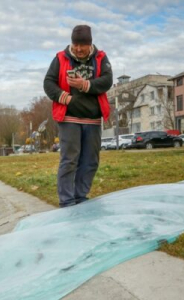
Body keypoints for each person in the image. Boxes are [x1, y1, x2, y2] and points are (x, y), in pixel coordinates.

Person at [43, 25, 112, 207]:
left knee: (90, 161)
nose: (79, 49)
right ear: (71, 43)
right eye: (76, 44)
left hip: (93, 119)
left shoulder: (101, 58)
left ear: (90, 44)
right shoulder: (60, 58)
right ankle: (67, 201)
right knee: (69, 160)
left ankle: (80, 197)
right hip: (69, 118)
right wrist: (63, 97)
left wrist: (84, 84)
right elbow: (48, 82)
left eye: (83, 45)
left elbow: (107, 81)